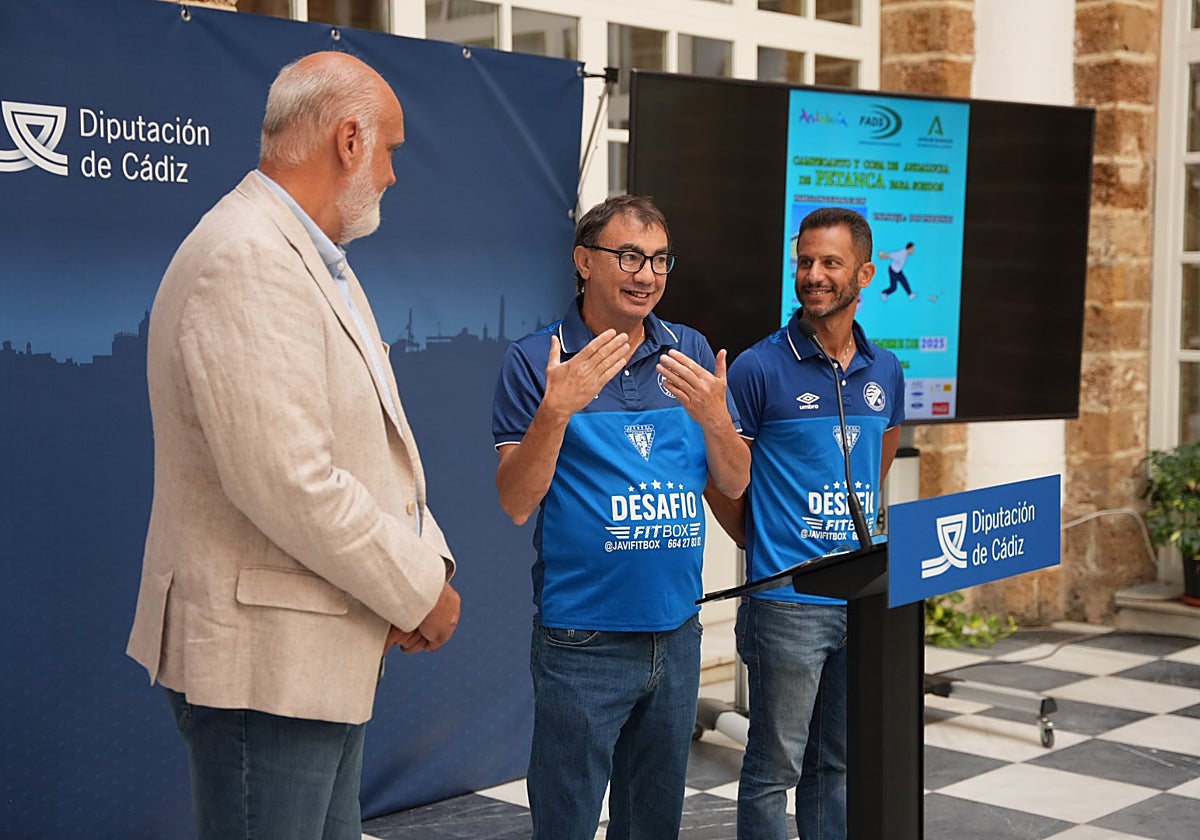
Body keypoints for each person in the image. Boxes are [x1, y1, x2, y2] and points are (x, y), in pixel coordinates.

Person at [125, 52, 462, 840]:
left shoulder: (305, 256)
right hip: (264, 670)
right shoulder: (248, 256)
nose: (390, 175)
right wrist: (417, 589)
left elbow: (370, 451)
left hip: (309, 656)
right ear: (349, 140)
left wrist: (421, 569)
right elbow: (290, 480)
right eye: (389, 151)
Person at [491, 195, 751, 840]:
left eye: (660, 260)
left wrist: (717, 418)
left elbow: (736, 479)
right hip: (583, 640)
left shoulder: (688, 350)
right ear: (584, 261)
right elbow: (516, 500)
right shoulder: (536, 361)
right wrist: (556, 411)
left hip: (678, 631)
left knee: (653, 824)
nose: (647, 275)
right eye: (629, 256)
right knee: (567, 821)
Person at [708, 207, 905, 839]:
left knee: (837, 763)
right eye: (804, 262)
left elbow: (879, 460)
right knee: (773, 769)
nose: (813, 275)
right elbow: (721, 478)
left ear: (865, 274)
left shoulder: (887, 370)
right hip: (787, 602)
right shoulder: (759, 367)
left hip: (864, 596)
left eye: (829, 263)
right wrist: (758, 538)